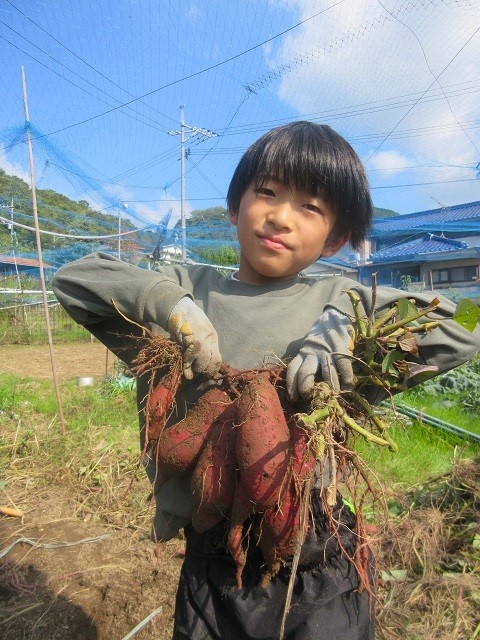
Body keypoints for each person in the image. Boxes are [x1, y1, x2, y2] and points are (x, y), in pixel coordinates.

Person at [52, 121, 479, 640]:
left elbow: (460, 335)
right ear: (235, 208)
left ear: (336, 237)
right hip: (211, 554)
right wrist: (172, 307)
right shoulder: (189, 288)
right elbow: (74, 281)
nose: (280, 216)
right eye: (268, 193)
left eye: (310, 207)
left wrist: (349, 321)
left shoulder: (338, 304)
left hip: (315, 551)